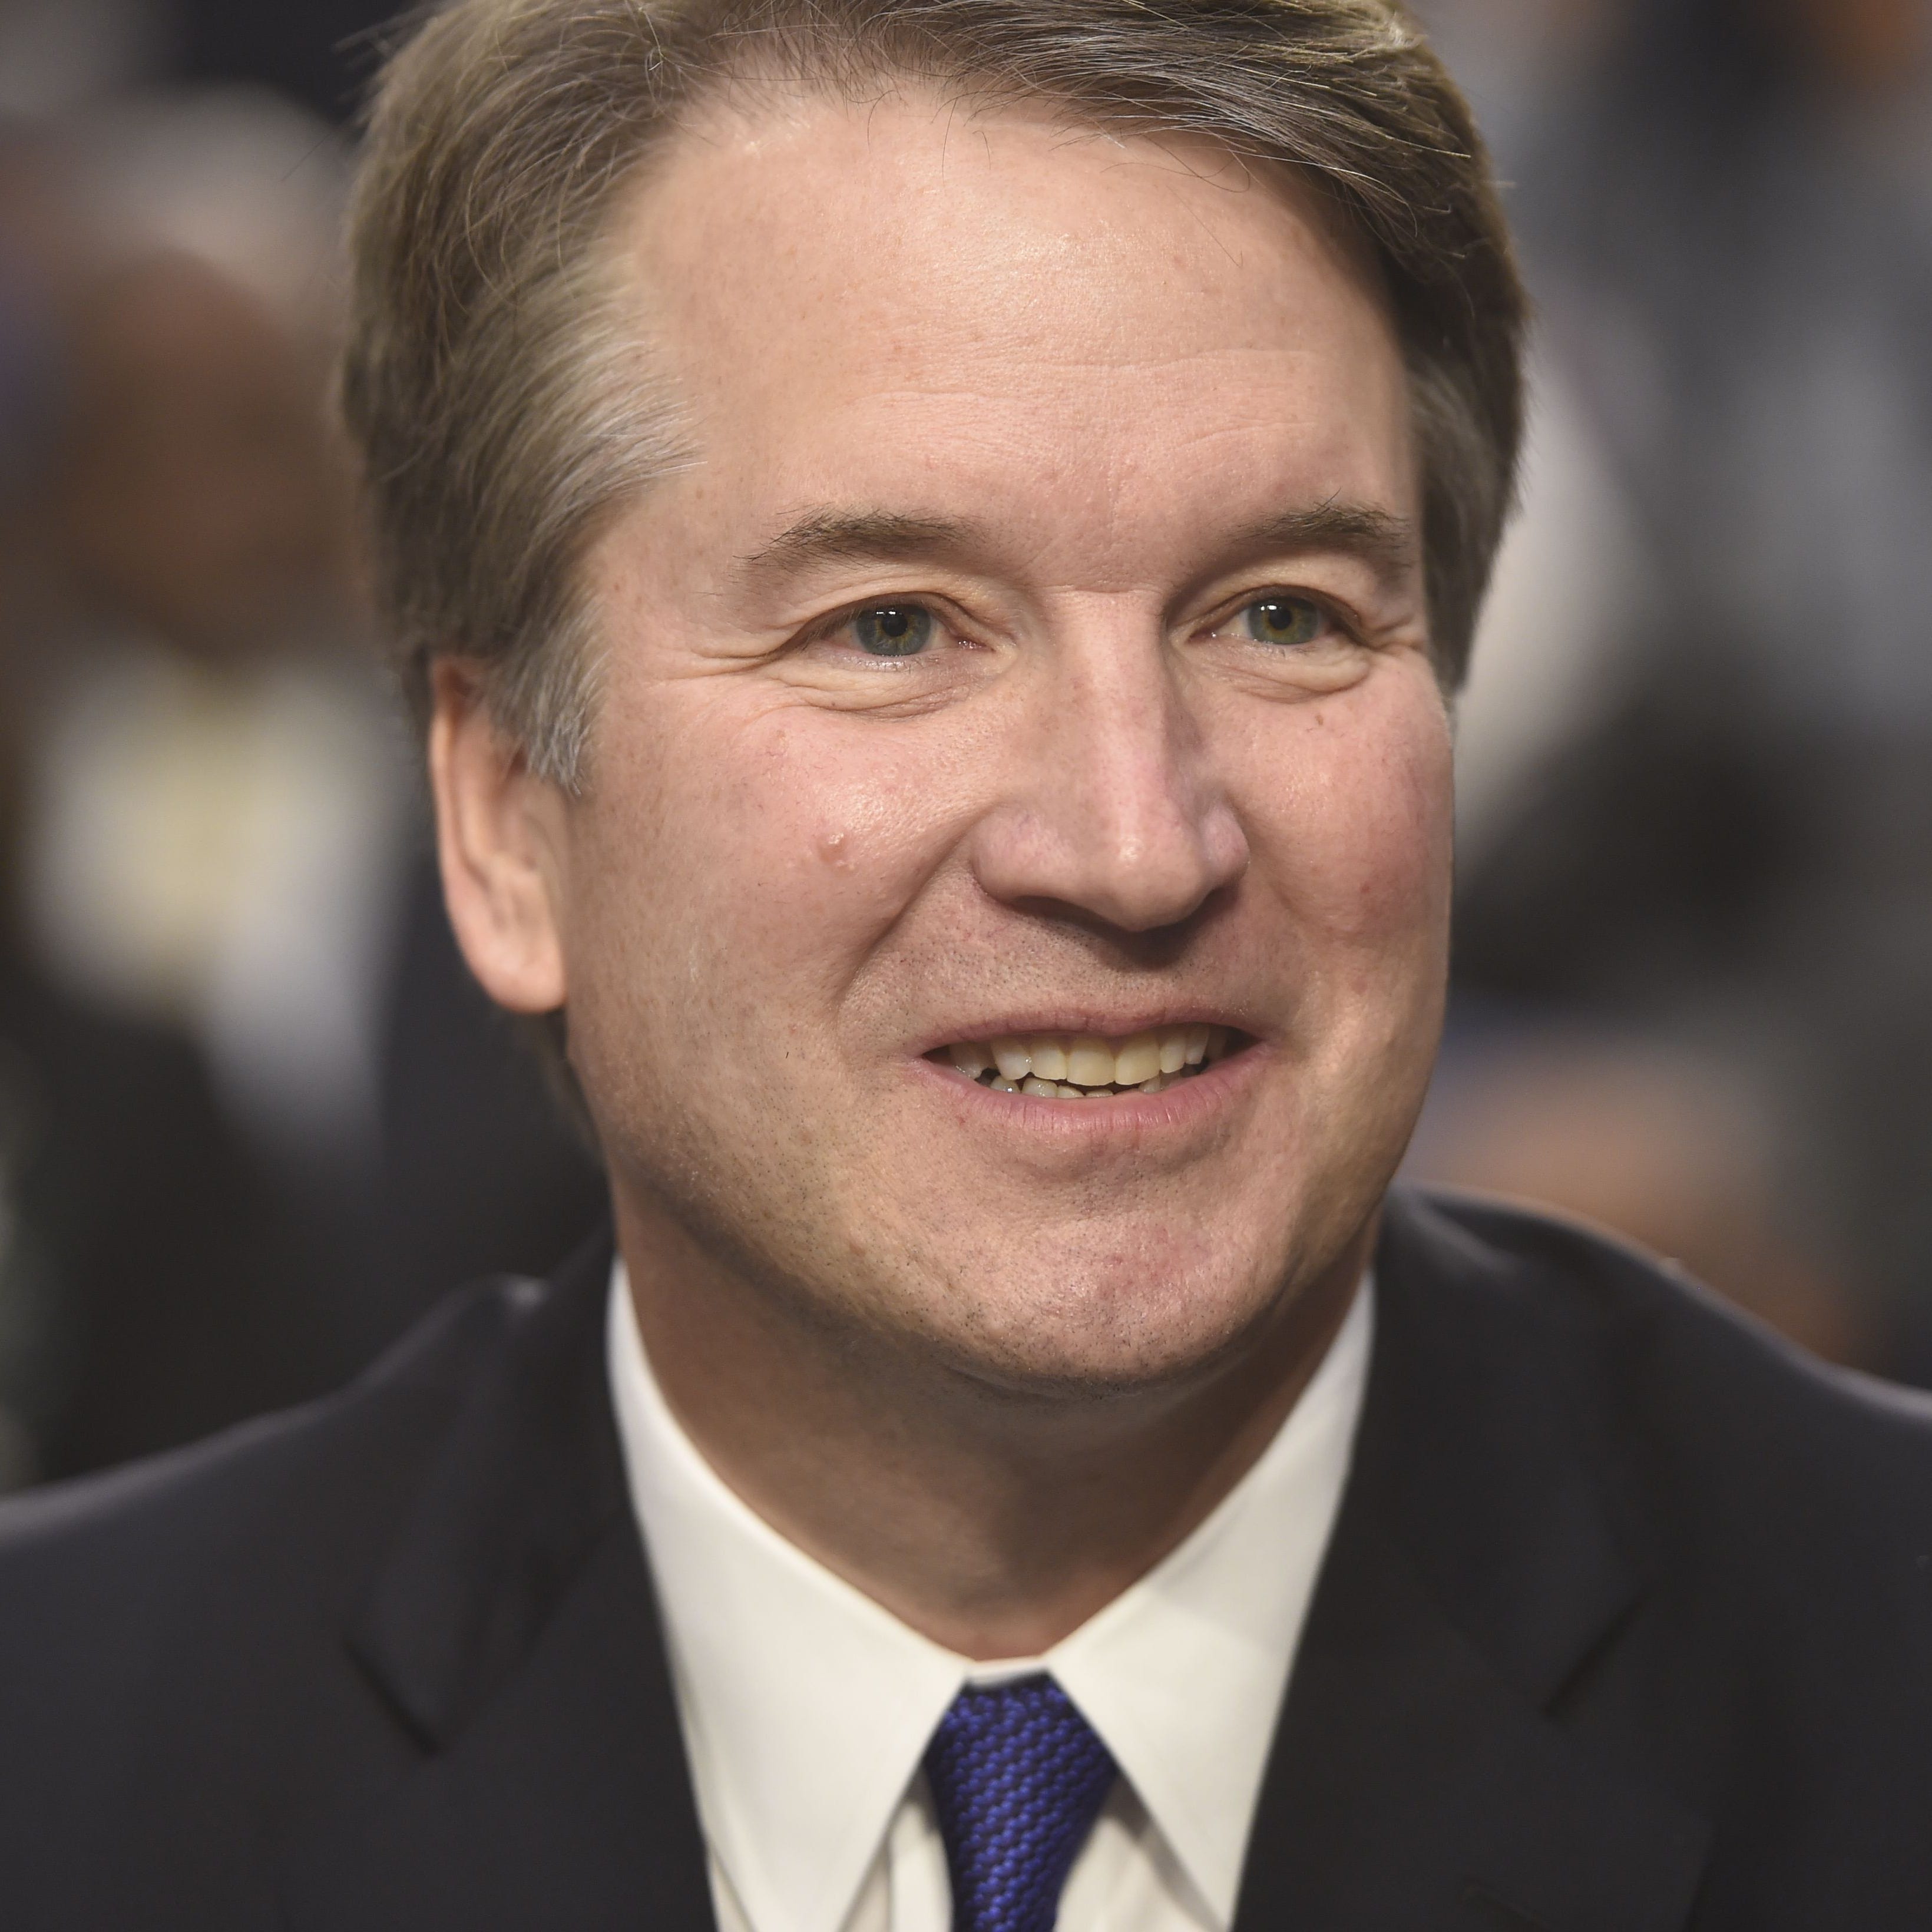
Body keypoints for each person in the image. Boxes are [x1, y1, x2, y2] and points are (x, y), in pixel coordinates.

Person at [0, 1, 1929, 1926]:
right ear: (508, 821)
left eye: (1282, 614)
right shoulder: (65, 1769)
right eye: (894, 629)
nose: (1134, 843)